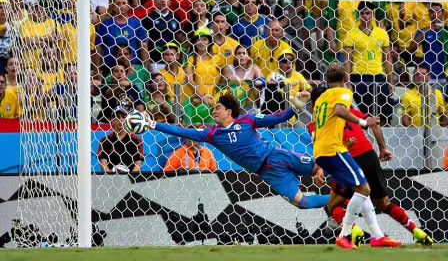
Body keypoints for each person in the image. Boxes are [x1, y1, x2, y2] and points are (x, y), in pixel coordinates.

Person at [144, 91, 329, 209]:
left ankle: (353, 189)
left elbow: (276, 118)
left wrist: (294, 108)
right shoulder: (212, 134)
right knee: (303, 203)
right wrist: (153, 124)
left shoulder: (248, 120)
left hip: (276, 154)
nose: (213, 112)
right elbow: (181, 130)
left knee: (323, 166)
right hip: (267, 172)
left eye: (218, 108)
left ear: (229, 111)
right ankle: (342, 199)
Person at [308, 86, 433, 247]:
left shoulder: (316, 123)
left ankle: (351, 231)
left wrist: (320, 169)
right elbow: (374, 124)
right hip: (369, 156)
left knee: (334, 205)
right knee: (383, 203)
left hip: (348, 158)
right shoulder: (350, 111)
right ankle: (414, 230)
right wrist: (382, 148)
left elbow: (323, 145)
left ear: (313, 104)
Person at [312, 62, 402, 249]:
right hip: (333, 149)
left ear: (327, 80)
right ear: (345, 79)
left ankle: (377, 235)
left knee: (363, 191)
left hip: (322, 150)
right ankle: (344, 234)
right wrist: (364, 122)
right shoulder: (343, 93)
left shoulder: (321, 99)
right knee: (364, 190)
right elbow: (339, 110)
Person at [97, 107, 144, 173]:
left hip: (131, 179)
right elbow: (103, 163)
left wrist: (131, 177)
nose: (120, 120)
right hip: (110, 179)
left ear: (128, 120)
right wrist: (111, 178)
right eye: (117, 117)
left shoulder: (136, 140)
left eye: (123, 117)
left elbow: (138, 163)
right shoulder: (105, 140)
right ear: (112, 120)